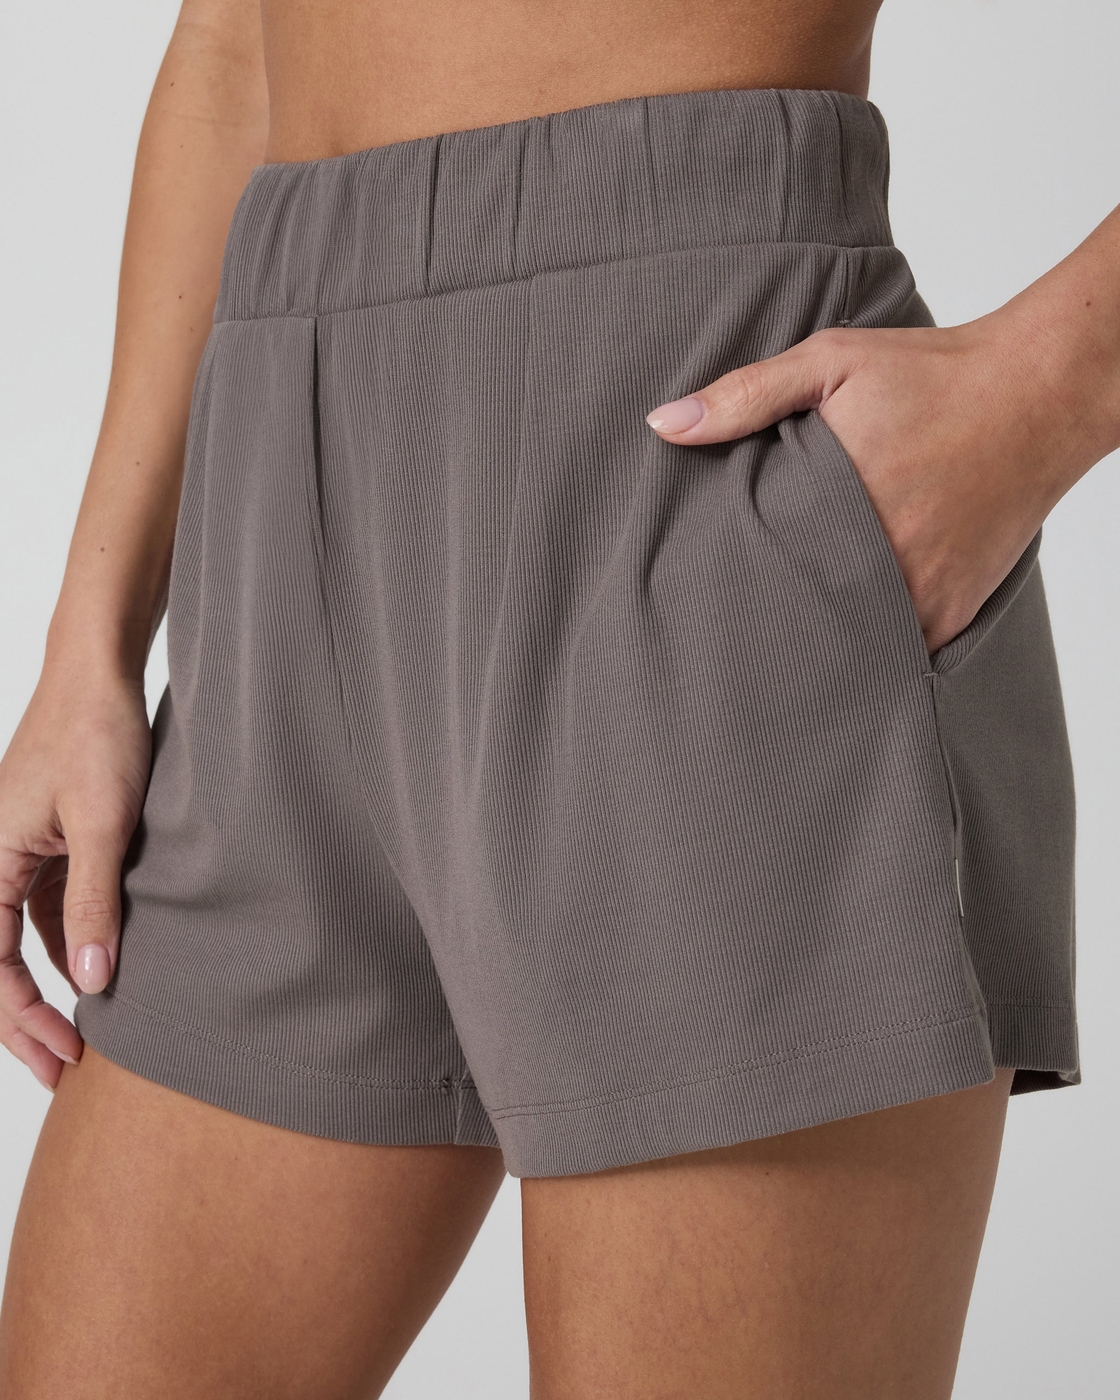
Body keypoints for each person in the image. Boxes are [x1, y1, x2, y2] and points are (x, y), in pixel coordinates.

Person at [0, 0, 1112, 1393]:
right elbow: (231, 38)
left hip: (688, 454)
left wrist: (1044, 388)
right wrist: (91, 648)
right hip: (272, 534)